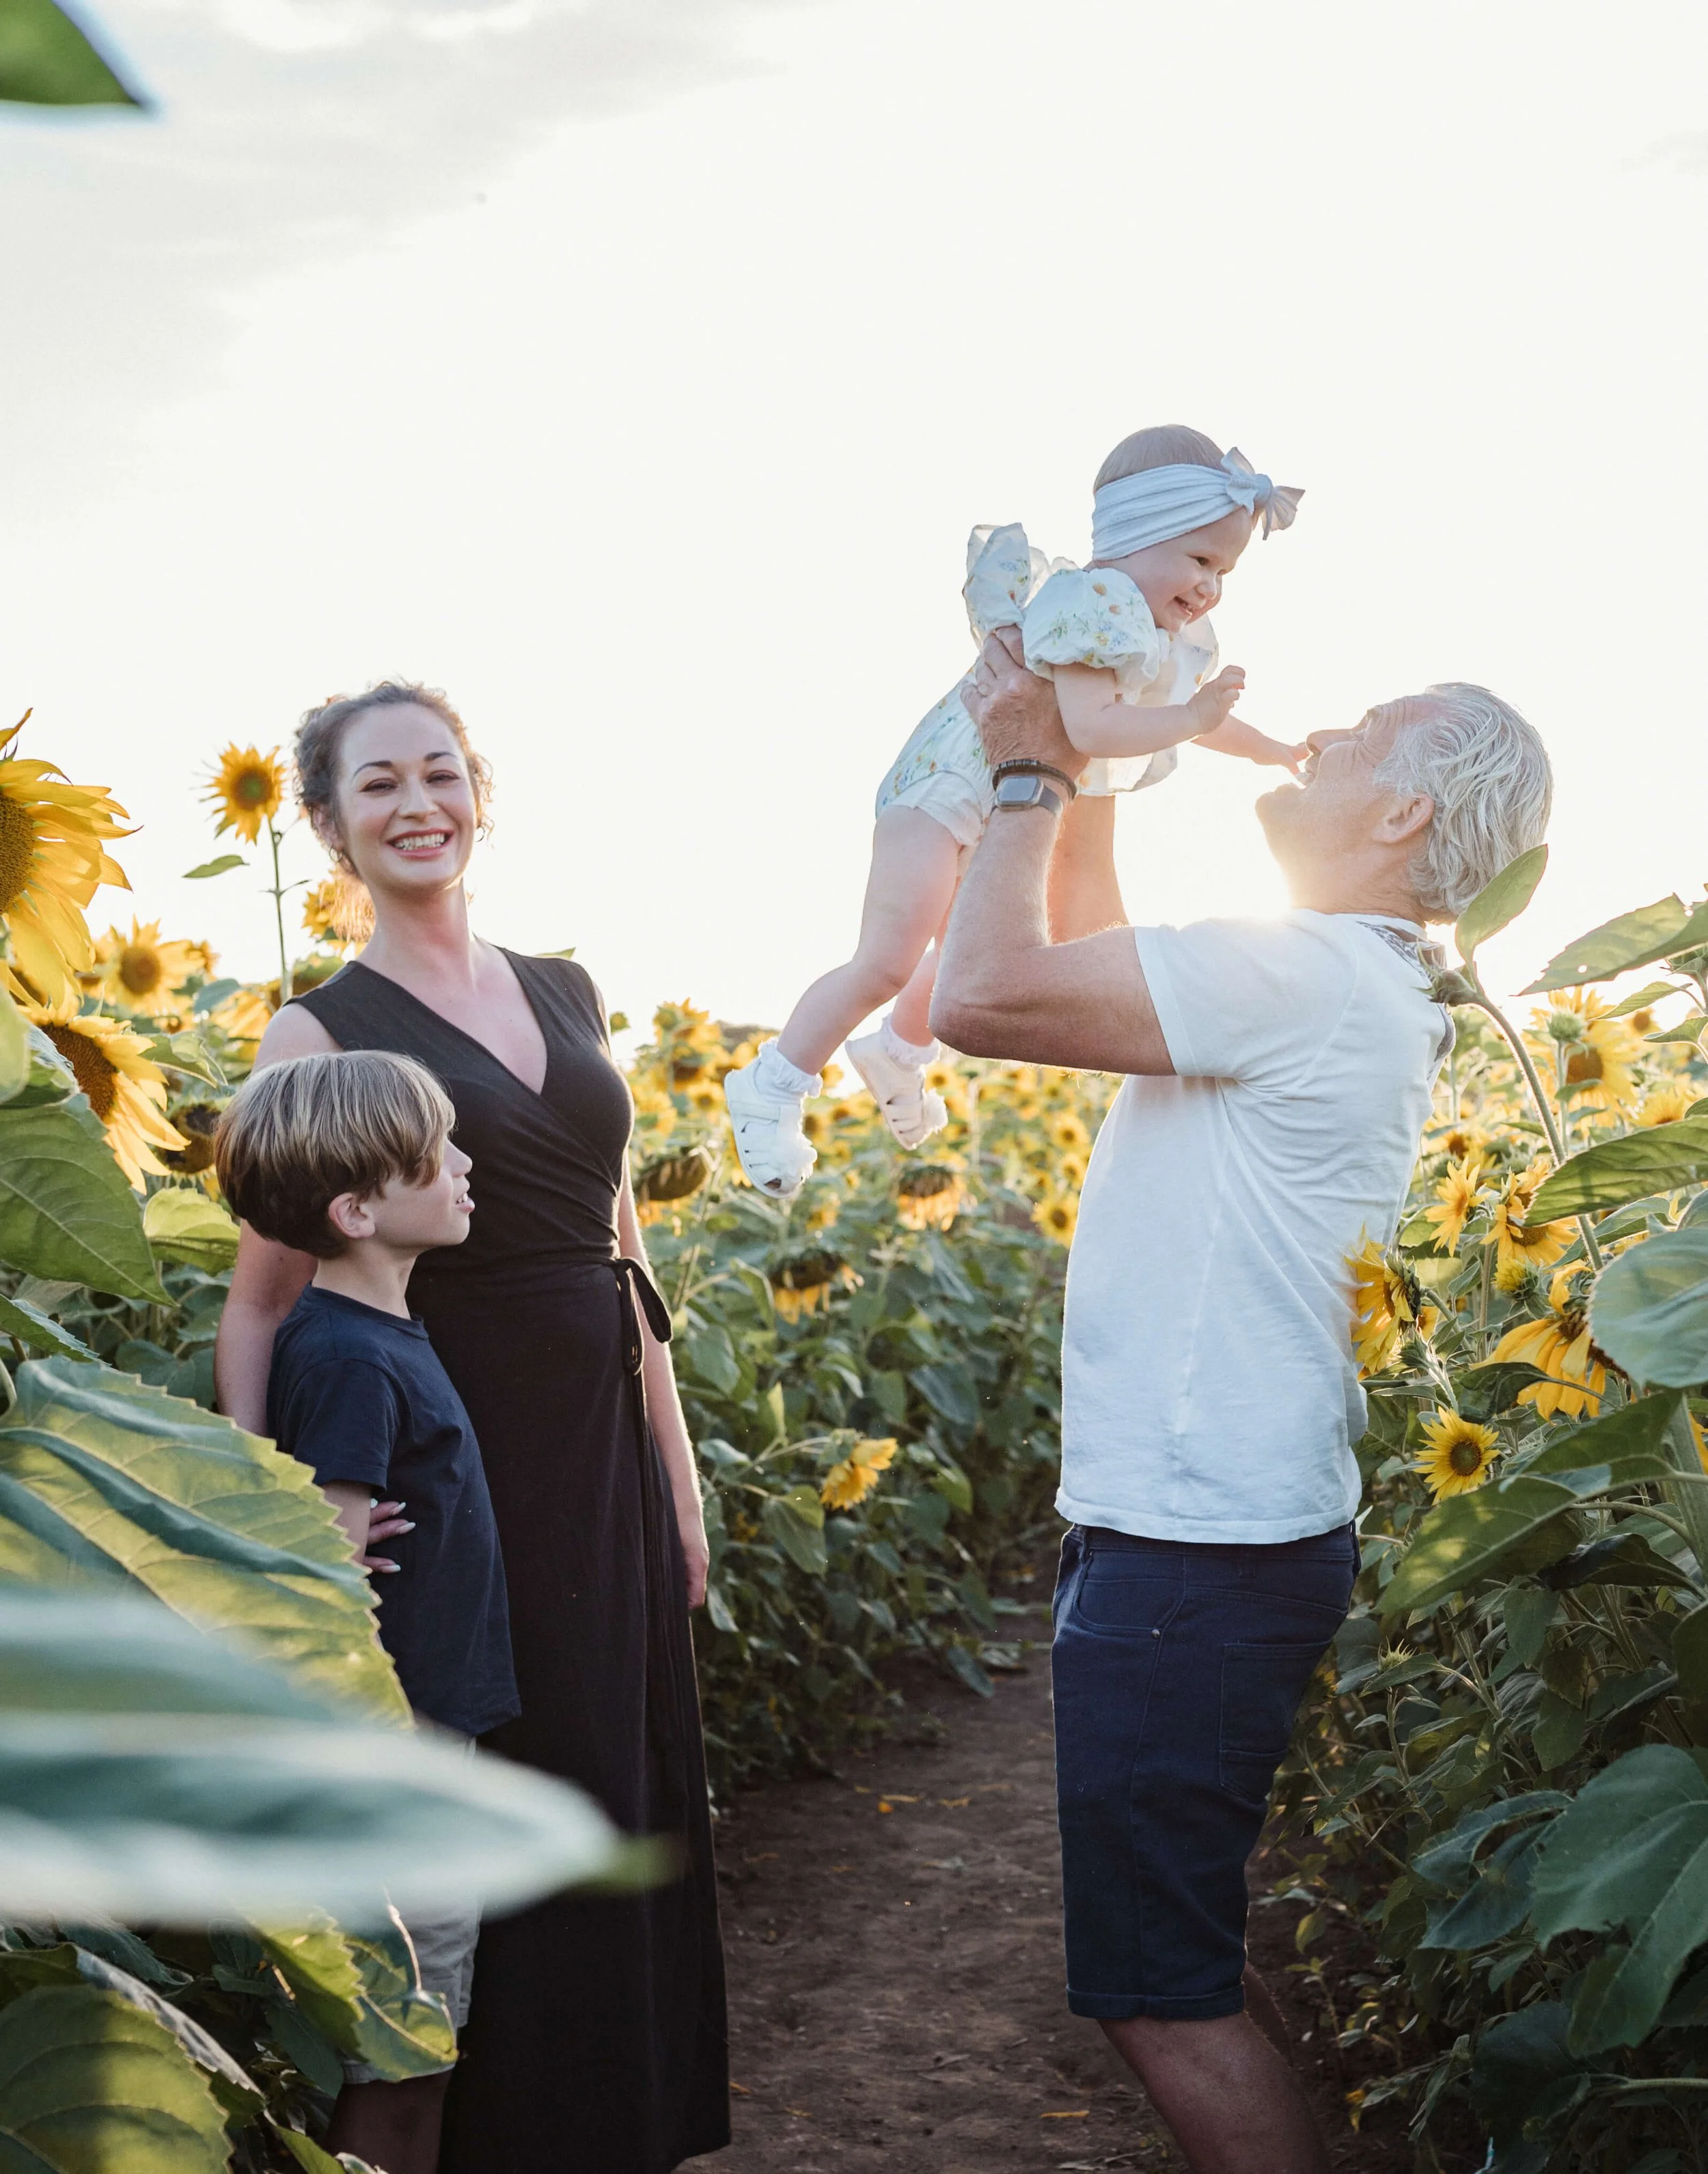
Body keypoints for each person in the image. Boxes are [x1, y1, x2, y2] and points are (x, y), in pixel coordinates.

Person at [932, 638, 1552, 2174]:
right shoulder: (1341, 979)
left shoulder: (1301, 968)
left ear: (1403, 817)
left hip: (1190, 1555)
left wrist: (1026, 765)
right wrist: (1092, 751)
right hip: (1207, 1536)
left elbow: (988, 989)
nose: (1320, 732)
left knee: (1159, 1997)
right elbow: (1093, 947)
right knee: (1183, 1959)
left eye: (1366, 730)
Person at [212, 682, 729, 2174]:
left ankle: (613, 2134)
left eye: (441, 772)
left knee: (617, 1781)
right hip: (453, 1457)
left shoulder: (565, 988)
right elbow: (261, 1297)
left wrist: (676, 1471)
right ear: (327, 825)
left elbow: (624, 1247)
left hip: (603, 1453)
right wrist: (284, 1520)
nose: (416, 802)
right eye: (378, 784)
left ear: (479, 794)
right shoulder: (318, 1025)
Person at [722, 426, 1305, 1196]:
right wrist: (1193, 719)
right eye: (1200, 560)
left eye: (1224, 571)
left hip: (988, 798)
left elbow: (1184, 713)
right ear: (1135, 534)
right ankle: (771, 1084)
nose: (1210, 588)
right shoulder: (1092, 602)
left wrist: (1268, 747)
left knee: (965, 949)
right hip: (938, 790)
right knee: (889, 957)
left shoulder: (1148, 629)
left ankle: (898, 1050)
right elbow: (1097, 728)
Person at [216, 1047, 517, 2174]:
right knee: (404, 2044)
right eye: (436, 1155)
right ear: (356, 1208)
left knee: (417, 2037)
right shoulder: (349, 1357)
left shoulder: (377, 1335)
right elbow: (326, 1573)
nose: (465, 1163)